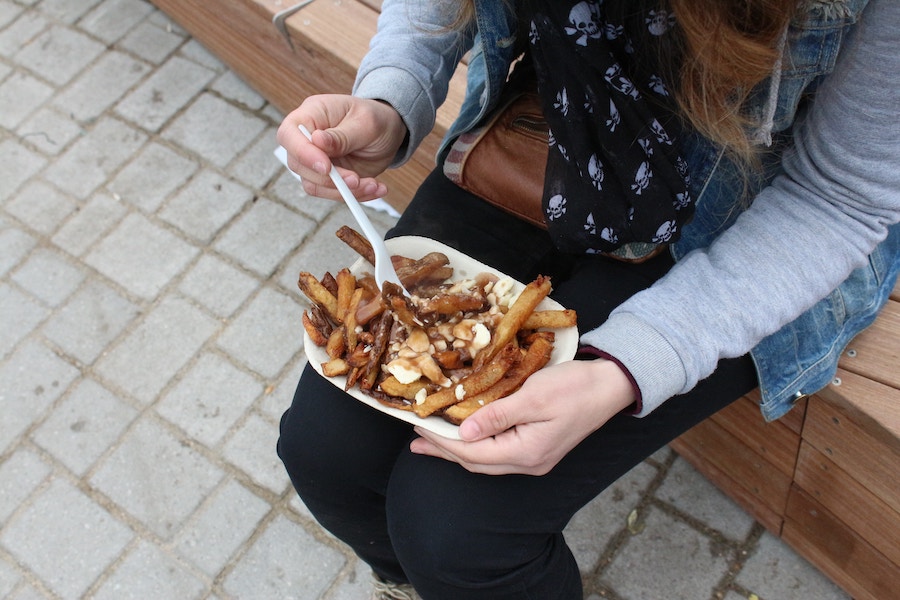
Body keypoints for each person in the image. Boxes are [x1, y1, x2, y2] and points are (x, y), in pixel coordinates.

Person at [276, 0, 900, 598]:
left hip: (750, 214)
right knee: (324, 453)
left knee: (456, 528)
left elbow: (842, 197)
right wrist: (391, 98)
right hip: (554, 123)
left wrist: (626, 369)